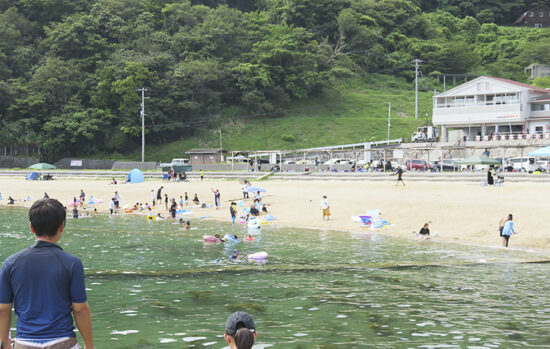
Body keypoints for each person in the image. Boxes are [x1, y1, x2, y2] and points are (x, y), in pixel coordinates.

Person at [0, 198, 95, 349]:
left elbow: (3, 309)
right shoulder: (72, 263)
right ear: (62, 226)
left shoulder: (10, 263)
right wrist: (89, 345)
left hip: (25, 342)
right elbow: (80, 309)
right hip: (62, 341)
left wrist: (5, 343)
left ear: (31, 227)